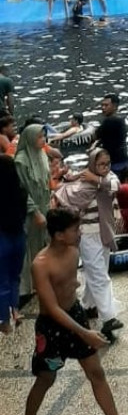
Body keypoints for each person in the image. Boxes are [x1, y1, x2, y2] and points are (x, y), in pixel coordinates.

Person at [20, 209, 128, 415]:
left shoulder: (73, 250)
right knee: (46, 378)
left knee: (96, 373)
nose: (79, 233)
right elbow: (52, 307)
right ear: (58, 235)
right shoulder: (41, 265)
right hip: (52, 327)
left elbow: (73, 283)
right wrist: (84, 332)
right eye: (75, 230)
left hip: (74, 313)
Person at [54, 148, 123, 342]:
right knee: (99, 275)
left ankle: (89, 306)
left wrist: (97, 179)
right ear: (93, 163)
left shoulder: (108, 179)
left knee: (100, 271)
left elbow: (115, 187)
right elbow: (69, 195)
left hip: (105, 233)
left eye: (107, 164)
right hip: (87, 235)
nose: (105, 167)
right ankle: (109, 317)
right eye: (100, 164)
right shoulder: (83, 182)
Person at [16, 124, 51, 301]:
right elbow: (21, 190)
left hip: (45, 203)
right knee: (30, 246)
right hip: (30, 211)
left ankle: (43, 279)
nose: (43, 140)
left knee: (44, 241)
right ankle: (29, 285)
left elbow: (46, 181)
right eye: (39, 137)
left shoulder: (42, 154)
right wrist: (35, 211)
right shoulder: (21, 161)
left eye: (44, 136)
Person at [0, 154, 27, 332]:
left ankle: (4, 320)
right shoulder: (21, 191)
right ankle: (16, 310)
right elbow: (24, 214)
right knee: (15, 275)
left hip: (2, 238)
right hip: (19, 236)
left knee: (2, 280)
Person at [93, 94, 128, 178]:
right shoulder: (121, 120)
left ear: (114, 106)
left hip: (114, 163)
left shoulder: (110, 121)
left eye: (106, 105)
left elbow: (96, 135)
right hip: (124, 159)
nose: (103, 108)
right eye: (102, 105)